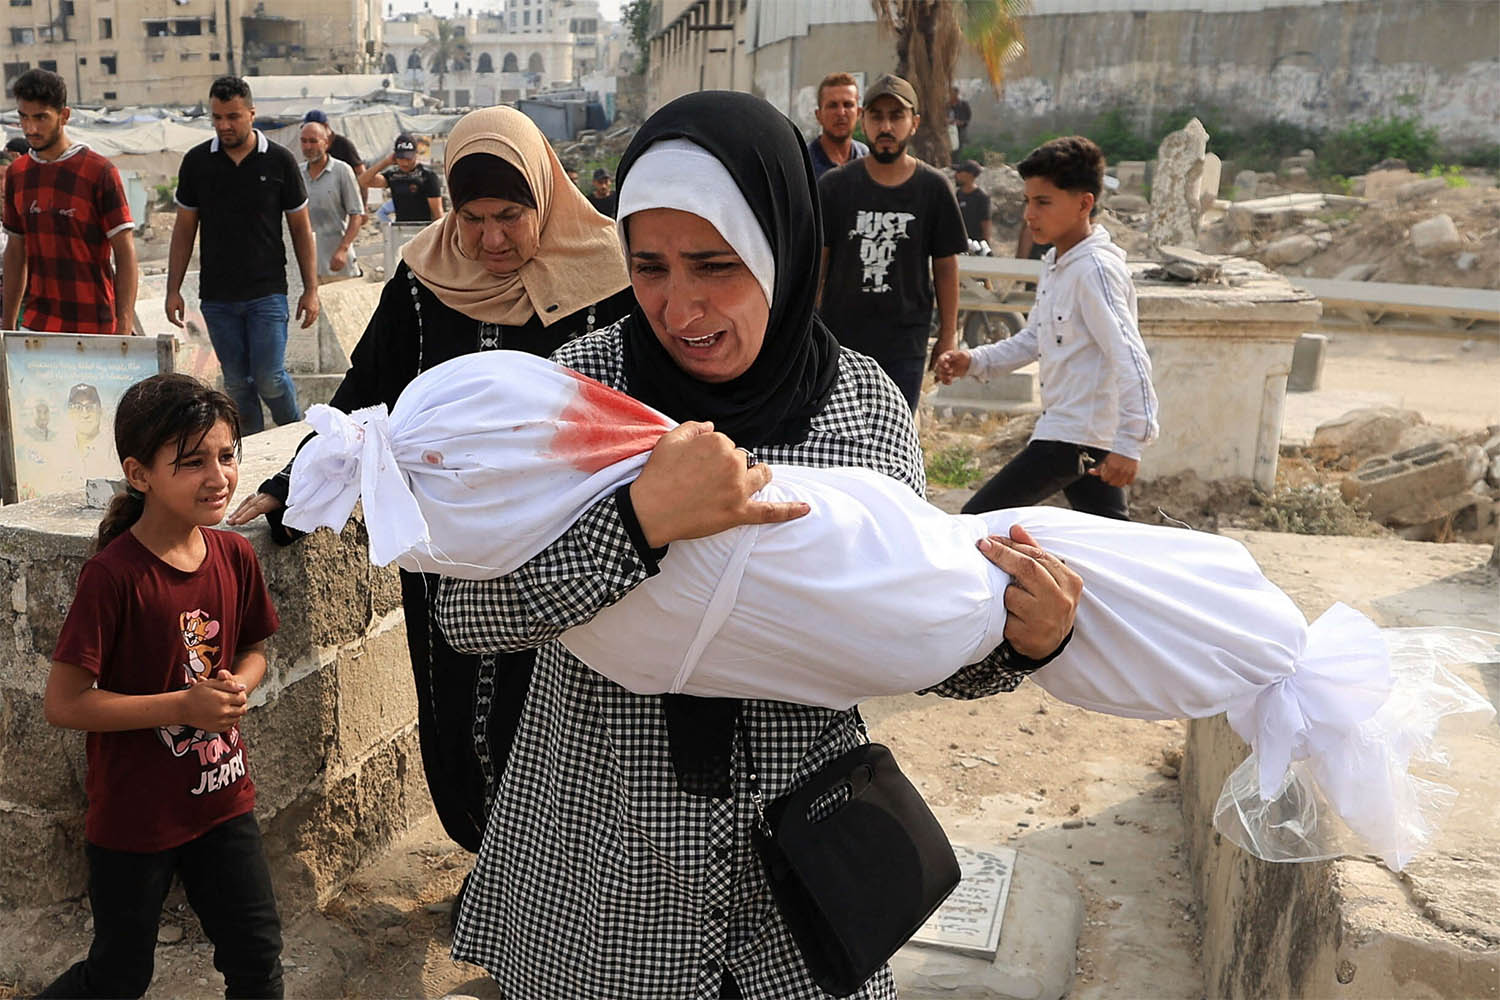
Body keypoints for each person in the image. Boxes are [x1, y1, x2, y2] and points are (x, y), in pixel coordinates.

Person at [433, 90, 1080, 1000]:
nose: (679, 304)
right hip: (599, 866)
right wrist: (637, 525)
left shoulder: (862, 405)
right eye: (648, 266)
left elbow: (915, 633)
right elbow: (468, 616)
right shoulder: (582, 392)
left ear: (780, 246)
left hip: (798, 872)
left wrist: (1019, 641)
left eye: (714, 263)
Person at [227, 106, 636, 860]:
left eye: (512, 217)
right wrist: (294, 483)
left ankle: (548, 885)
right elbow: (365, 391)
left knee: (552, 714)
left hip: (569, 549)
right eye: (473, 217)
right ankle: (487, 867)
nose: (490, 241)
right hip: (446, 550)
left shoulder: (609, 281)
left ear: (546, 198)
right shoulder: (424, 279)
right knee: (454, 709)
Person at [38, 373, 283, 999]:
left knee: (257, 958)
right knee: (119, 975)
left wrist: (235, 690)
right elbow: (65, 703)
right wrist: (185, 705)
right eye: (192, 462)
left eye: (227, 456)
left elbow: (254, 649)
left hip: (224, 800)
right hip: (135, 817)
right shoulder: (112, 578)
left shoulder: (233, 556)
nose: (219, 477)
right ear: (139, 473)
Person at [938, 136, 1159, 521]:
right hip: (1076, 433)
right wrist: (972, 360)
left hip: (1073, 437)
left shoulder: (1095, 271)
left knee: (979, 519)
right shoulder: (1059, 263)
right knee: (1108, 540)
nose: (1029, 214)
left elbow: (1129, 355)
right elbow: (1033, 338)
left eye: (1043, 202)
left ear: (1084, 203)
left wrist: (1131, 442)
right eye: (1028, 201)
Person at [167, 76, 319, 436]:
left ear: (252, 114)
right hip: (217, 297)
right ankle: (252, 453)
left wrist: (311, 289)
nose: (224, 125)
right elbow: (184, 229)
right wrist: (173, 288)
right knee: (237, 385)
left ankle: (296, 438)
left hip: (267, 293)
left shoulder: (280, 162)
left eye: (233, 116)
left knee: (269, 378)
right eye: (217, 117)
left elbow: (301, 228)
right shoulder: (197, 163)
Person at [816, 73, 967, 411]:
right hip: (841, 338)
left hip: (905, 340)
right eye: (877, 116)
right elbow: (819, 262)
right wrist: (806, 328)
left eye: (896, 116)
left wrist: (947, 335)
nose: (886, 126)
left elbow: (945, 267)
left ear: (913, 123)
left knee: (895, 433)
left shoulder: (933, 189)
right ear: (863, 121)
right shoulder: (836, 186)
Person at [3, 69, 137, 336]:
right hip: (37, 324)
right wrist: (7, 327)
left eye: (41, 117)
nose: (30, 128)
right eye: (24, 117)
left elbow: (125, 252)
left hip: (95, 323)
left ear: (64, 116)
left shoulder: (98, 171)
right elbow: (16, 253)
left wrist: (124, 326)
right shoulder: (18, 174)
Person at [298, 120, 366, 283]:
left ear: (326, 143)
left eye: (313, 141)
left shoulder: (342, 171)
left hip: (337, 265)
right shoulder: (297, 173)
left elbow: (356, 215)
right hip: (307, 266)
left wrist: (342, 249)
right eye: (304, 141)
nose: (308, 146)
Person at [360, 133, 443, 223]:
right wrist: (385, 162)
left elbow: (437, 213)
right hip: (401, 229)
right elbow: (363, 181)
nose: (405, 163)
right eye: (401, 158)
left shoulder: (427, 176)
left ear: (415, 154)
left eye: (408, 159)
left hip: (423, 228)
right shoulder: (393, 176)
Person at [807, 71, 868, 179]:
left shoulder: (867, 159)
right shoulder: (804, 162)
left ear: (858, 113)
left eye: (848, 105)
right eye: (832, 106)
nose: (841, 113)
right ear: (818, 115)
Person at [301, 109, 367, 206]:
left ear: (325, 127)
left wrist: (363, 204)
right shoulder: (309, 148)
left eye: (313, 140)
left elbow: (361, 172)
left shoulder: (343, 145)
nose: (309, 145)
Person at [955, 158, 992, 245]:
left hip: (975, 246)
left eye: (959, 172)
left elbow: (986, 224)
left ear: (970, 175)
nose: (956, 175)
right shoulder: (958, 194)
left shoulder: (981, 198)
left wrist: (985, 246)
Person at [946, 85, 972, 153]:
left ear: (957, 94)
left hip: (960, 131)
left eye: (953, 93)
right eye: (950, 93)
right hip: (949, 131)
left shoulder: (964, 105)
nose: (951, 95)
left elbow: (968, 117)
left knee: (959, 149)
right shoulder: (946, 105)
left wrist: (961, 122)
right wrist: (948, 121)